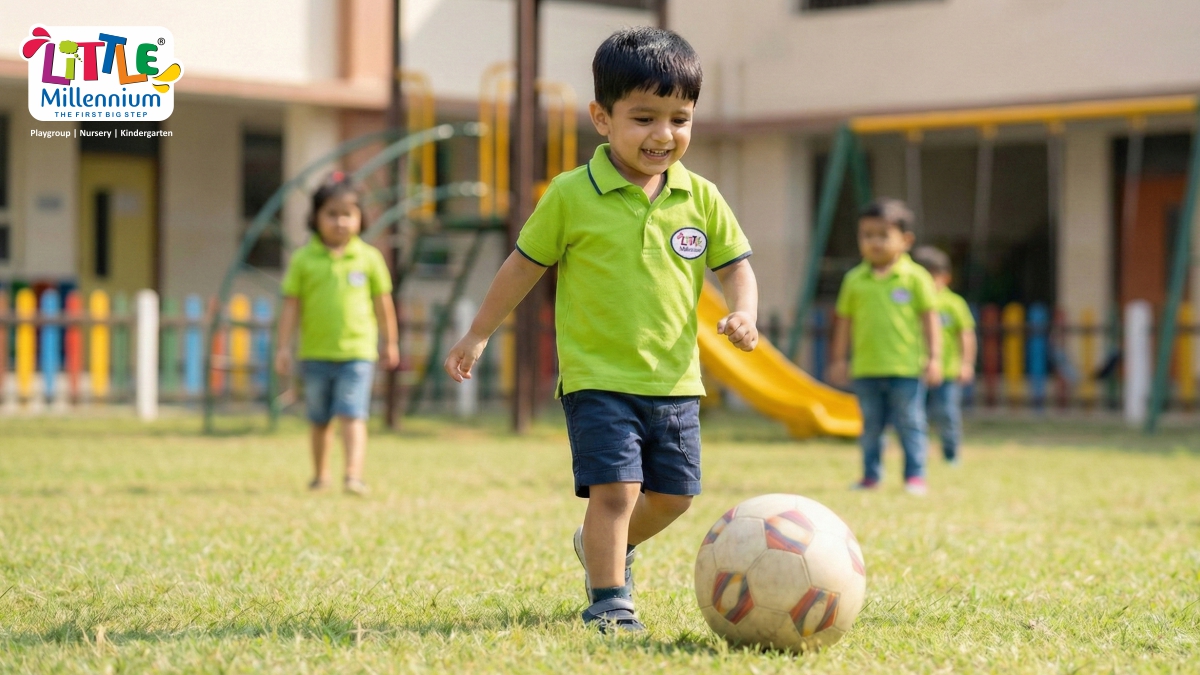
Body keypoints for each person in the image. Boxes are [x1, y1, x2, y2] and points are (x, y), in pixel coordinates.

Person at [443, 27, 758, 633]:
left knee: (673, 498)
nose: (663, 135)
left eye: (680, 118)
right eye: (644, 117)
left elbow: (737, 267)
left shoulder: (703, 197)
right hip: (597, 378)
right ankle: (609, 600)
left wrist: (744, 311)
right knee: (614, 493)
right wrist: (478, 333)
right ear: (601, 118)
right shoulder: (570, 194)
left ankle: (600, 547)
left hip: (674, 380)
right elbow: (521, 268)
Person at [275, 176, 399, 496]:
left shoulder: (369, 258)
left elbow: (383, 303)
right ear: (315, 217)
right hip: (315, 353)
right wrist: (283, 348)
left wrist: (391, 342)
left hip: (358, 353)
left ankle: (353, 476)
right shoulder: (304, 259)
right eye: (332, 213)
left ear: (360, 218)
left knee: (353, 414)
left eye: (348, 214)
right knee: (319, 418)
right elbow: (291, 306)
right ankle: (320, 475)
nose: (340, 221)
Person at [828, 199, 941, 496]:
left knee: (911, 423)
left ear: (905, 240)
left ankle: (915, 476)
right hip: (866, 367)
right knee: (871, 427)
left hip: (906, 367)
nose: (874, 242)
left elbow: (930, 319)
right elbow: (844, 322)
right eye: (867, 235)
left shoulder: (916, 278)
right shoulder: (854, 280)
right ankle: (870, 476)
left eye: (883, 235)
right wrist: (839, 359)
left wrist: (935, 358)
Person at [912, 245, 976, 465]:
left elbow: (966, 335)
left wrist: (966, 363)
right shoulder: (911, 302)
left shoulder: (954, 303)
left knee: (947, 414)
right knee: (915, 416)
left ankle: (951, 455)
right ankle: (919, 457)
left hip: (947, 371)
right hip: (915, 369)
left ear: (945, 277)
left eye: (932, 277)